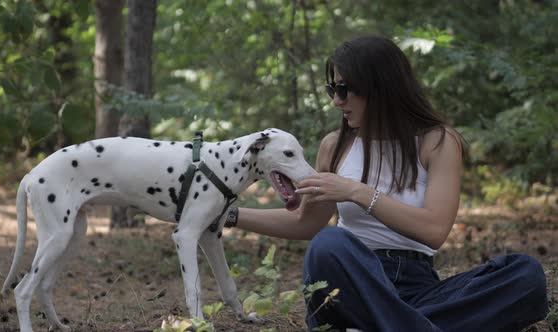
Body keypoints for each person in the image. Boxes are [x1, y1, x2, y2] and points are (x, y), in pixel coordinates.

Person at [222, 35, 549, 331]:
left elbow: (434, 231)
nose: (336, 100)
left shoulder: (436, 141)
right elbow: (305, 222)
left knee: (524, 274)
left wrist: (357, 191)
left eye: (343, 89)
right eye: (331, 90)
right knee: (328, 244)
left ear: (379, 86)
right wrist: (229, 215)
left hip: (418, 287)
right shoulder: (334, 146)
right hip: (352, 282)